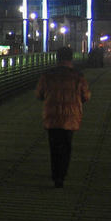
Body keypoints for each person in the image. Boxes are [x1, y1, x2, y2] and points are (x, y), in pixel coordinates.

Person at [36, 46, 91, 187]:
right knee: (66, 145)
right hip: (70, 116)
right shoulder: (78, 75)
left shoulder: (47, 74)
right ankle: (62, 174)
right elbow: (86, 96)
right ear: (71, 58)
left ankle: (55, 175)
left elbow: (39, 95)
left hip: (52, 115)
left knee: (54, 146)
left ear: (57, 58)